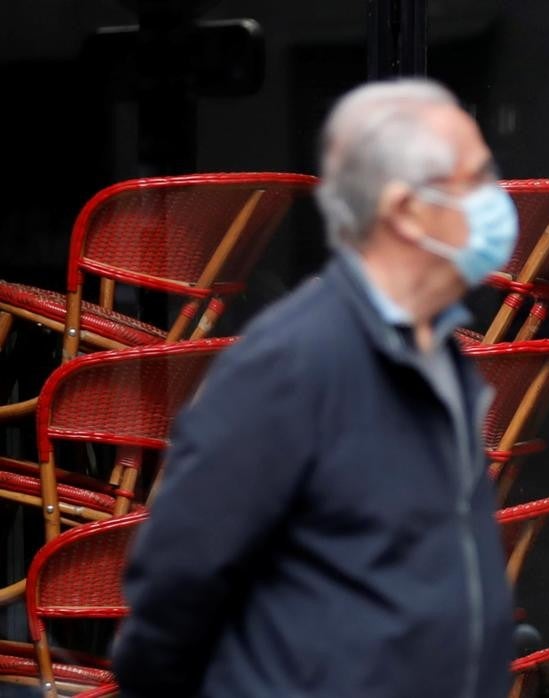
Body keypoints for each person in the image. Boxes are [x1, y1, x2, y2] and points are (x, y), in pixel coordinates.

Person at [112, 78, 519, 698]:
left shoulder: (441, 354)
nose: (497, 201)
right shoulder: (292, 362)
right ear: (404, 209)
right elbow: (178, 581)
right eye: (474, 180)